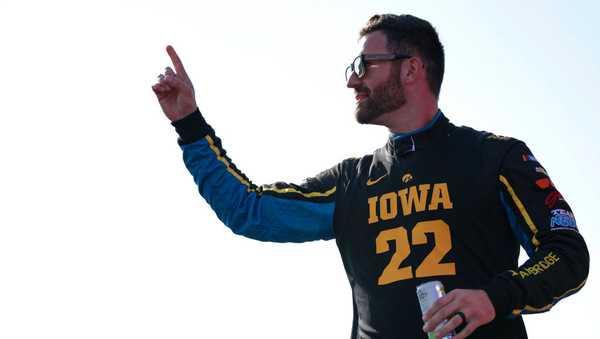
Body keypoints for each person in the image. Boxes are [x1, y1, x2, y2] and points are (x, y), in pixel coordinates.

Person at [151, 14, 589, 339]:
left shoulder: (496, 157)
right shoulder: (350, 183)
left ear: (412, 69)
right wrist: (189, 124)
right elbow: (247, 210)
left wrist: (495, 297)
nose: (353, 81)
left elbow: (568, 256)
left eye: (366, 66)